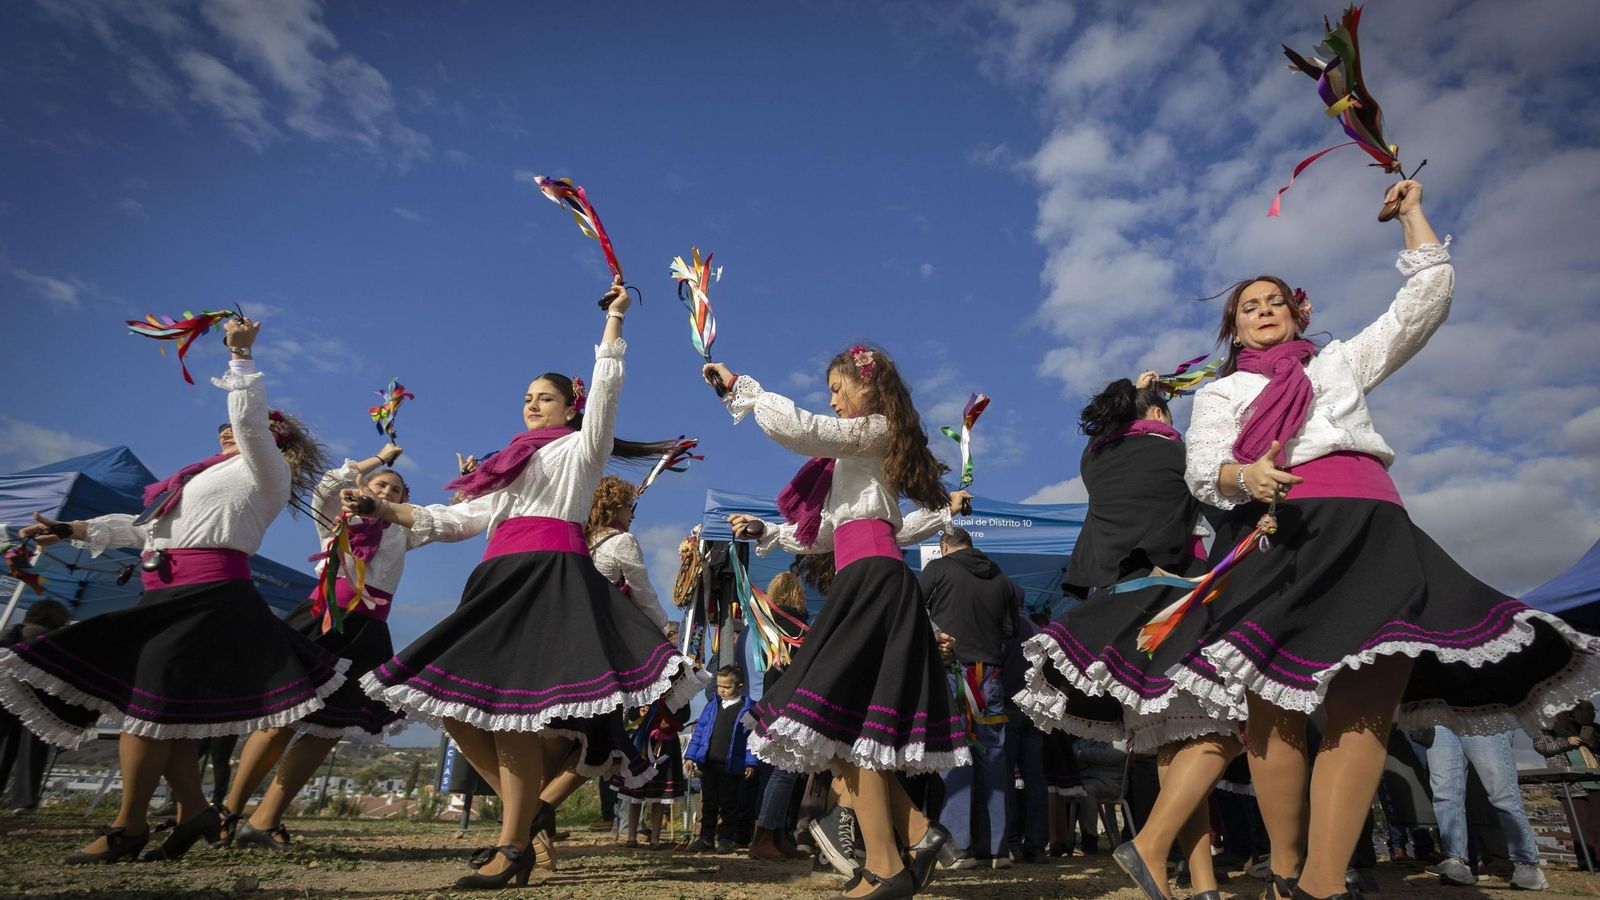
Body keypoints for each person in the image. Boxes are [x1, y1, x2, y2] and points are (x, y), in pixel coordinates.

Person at [1177, 180, 1600, 900]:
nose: (1264, 312)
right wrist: (1246, 474)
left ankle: (1320, 883)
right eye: (1249, 308)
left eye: (1275, 301)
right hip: (1286, 538)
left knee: (1363, 710)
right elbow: (1200, 469)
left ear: (1297, 310)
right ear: (1234, 329)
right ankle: (1283, 868)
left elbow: (1422, 305)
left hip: (1371, 528)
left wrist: (1411, 216)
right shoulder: (1220, 393)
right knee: (1272, 715)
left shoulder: (1337, 362)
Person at [353, 280, 697, 889]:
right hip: (495, 582)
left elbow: (608, 397)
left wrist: (614, 325)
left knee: (511, 717)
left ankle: (511, 844)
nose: (532, 405)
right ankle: (528, 813)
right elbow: (459, 519)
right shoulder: (507, 463)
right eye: (527, 398)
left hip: (547, 576)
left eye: (544, 398)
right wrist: (383, 513)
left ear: (570, 406)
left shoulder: (579, 451)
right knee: (450, 704)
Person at [0, 316, 343, 864]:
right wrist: (72, 530)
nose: (227, 429)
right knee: (168, 713)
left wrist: (241, 360)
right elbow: (145, 528)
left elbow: (251, 424)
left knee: (145, 709)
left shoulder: (265, 472)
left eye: (242, 426)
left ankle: (128, 826)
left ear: (278, 441)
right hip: (167, 594)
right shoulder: (195, 479)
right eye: (223, 426)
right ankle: (194, 811)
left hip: (209, 596)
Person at [703, 344, 972, 899]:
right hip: (864, 576)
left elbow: (801, 430)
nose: (833, 399)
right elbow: (829, 532)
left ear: (869, 385)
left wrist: (742, 389)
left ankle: (889, 865)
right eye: (829, 390)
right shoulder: (859, 456)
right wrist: (768, 532)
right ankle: (914, 839)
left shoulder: (874, 429)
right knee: (843, 725)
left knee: (848, 724)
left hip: (875, 578)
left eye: (837, 387)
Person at [1015, 372, 1239, 900]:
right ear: (1160, 416)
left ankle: (1198, 883)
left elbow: (1121, 440)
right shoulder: (1175, 451)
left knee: (1171, 743)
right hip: (1173, 601)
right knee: (1225, 730)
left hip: (1119, 607)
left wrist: (1140, 399)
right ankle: (1150, 845)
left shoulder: (1094, 461)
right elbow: (1213, 485)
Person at [221, 441, 425, 850]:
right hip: (320, 619)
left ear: (405, 501)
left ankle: (265, 820)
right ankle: (226, 812)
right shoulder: (338, 517)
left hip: (367, 633)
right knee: (280, 719)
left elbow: (446, 518)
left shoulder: (403, 531)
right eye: (380, 486)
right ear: (364, 487)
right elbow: (328, 483)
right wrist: (380, 458)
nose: (385, 493)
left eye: (395, 491)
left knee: (331, 727)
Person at [920, 527, 1019, 868]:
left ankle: (957, 845)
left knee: (954, 752)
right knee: (993, 757)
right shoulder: (1002, 578)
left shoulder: (938, 568)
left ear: (944, 546)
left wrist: (939, 633)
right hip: (989, 674)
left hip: (951, 671)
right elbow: (1010, 630)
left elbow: (912, 608)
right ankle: (996, 849)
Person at [1423, 725, 1548, 890]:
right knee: (1445, 794)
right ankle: (1455, 860)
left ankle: (1526, 864)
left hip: (1483, 714)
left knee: (1502, 793)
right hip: (1440, 718)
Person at [750, 570, 812, 861]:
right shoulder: (798, 630)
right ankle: (765, 835)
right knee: (786, 772)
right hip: (791, 704)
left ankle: (778, 834)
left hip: (770, 701)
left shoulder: (765, 625)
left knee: (779, 771)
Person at [0, 600, 69, 812]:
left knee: (4, 749)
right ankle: (24, 801)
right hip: (40, 702)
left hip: (6, 696)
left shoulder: (13, 630)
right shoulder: (57, 638)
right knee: (33, 752)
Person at [684, 666, 758, 853]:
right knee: (709, 802)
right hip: (709, 762)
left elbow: (753, 739)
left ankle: (726, 838)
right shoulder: (712, 706)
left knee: (729, 803)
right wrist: (691, 756)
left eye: (727, 687)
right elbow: (699, 732)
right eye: (719, 686)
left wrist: (751, 762)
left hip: (732, 764)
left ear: (739, 686)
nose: (722, 690)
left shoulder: (748, 709)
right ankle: (706, 838)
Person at [1534, 700, 1600, 870]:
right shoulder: (1545, 730)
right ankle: (1587, 861)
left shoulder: (1587, 728)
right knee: (1581, 823)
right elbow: (1542, 747)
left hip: (1594, 778)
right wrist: (1566, 742)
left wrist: (1592, 742)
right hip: (1570, 782)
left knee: (1597, 821)